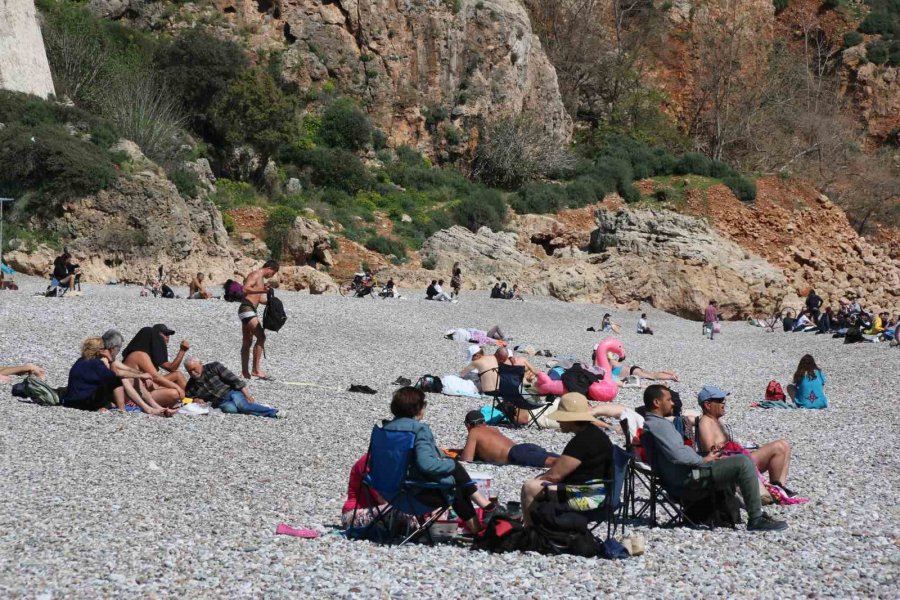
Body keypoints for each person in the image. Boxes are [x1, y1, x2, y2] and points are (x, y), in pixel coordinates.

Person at [642, 384, 788, 531]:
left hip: (681, 476)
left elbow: (676, 453)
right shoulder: (659, 426)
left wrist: (703, 457)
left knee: (734, 460)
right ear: (656, 403)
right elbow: (677, 454)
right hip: (688, 480)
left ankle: (756, 512)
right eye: (669, 399)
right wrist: (701, 459)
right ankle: (756, 518)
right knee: (743, 462)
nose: (673, 402)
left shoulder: (653, 424)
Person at [381, 387, 497, 533]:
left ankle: (484, 507)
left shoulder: (386, 429)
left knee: (450, 467)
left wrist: (438, 452)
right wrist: (451, 464)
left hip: (387, 490)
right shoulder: (418, 430)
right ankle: (479, 527)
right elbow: (427, 465)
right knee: (455, 484)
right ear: (418, 408)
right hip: (412, 494)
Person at [519, 393, 614, 526]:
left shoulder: (582, 442)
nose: (558, 421)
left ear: (571, 419)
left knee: (530, 487)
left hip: (588, 497)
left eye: (561, 418)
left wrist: (537, 481)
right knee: (538, 482)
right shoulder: (594, 434)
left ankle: (530, 532)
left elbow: (554, 476)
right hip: (600, 491)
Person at [695, 385, 797, 498]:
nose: (723, 403)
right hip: (731, 466)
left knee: (785, 445)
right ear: (707, 405)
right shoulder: (705, 422)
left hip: (736, 460)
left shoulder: (716, 421)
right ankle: (776, 491)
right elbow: (711, 452)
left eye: (724, 400)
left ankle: (779, 488)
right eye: (719, 401)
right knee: (779, 446)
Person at [100, 329, 177, 415]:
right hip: (101, 395)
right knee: (125, 379)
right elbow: (117, 373)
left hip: (114, 392)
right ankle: (149, 408)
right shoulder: (104, 359)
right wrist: (139, 376)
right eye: (118, 348)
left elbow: (126, 369)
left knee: (132, 378)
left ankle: (155, 407)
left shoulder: (109, 358)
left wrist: (141, 374)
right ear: (113, 348)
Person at [457, 410, 558, 467]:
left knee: (554, 463)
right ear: (484, 422)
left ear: (469, 425)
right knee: (562, 459)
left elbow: (466, 460)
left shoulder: (474, 432)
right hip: (523, 448)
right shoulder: (493, 429)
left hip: (515, 454)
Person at [185, 358, 278, 417]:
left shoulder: (214, 367)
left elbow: (235, 380)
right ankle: (259, 408)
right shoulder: (191, 385)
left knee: (243, 406)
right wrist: (195, 400)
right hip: (219, 403)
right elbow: (186, 399)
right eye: (190, 371)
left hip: (231, 392)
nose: (193, 373)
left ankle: (274, 412)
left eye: (194, 369)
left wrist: (248, 395)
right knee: (233, 410)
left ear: (200, 364)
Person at [62, 338, 135, 412]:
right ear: (99, 351)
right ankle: (122, 409)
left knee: (106, 382)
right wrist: (110, 360)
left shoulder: (81, 360)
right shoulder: (96, 364)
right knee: (116, 381)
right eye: (105, 348)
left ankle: (111, 405)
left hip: (70, 401)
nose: (107, 350)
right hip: (82, 403)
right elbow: (114, 375)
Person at [122, 324, 188, 407]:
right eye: (165, 335)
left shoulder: (149, 352)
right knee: (174, 393)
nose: (167, 338)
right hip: (134, 395)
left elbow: (171, 369)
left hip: (145, 386)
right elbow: (157, 377)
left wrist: (182, 351)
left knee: (177, 375)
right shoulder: (139, 354)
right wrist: (178, 388)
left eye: (168, 335)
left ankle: (191, 399)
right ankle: (186, 401)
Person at [239, 260, 280, 379]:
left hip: (247, 310)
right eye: (273, 273)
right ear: (270, 268)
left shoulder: (260, 279)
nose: (271, 276)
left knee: (247, 342)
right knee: (261, 337)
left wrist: (271, 302)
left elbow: (257, 298)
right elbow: (245, 289)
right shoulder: (256, 274)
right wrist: (262, 290)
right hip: (247, 309)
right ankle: (256, 370)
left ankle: (245, 373)